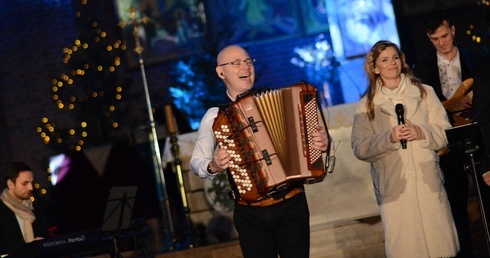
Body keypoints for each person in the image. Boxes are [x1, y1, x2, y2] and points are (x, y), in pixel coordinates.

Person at [189, 45, 330, 258]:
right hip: (249, 213)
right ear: (221, 72)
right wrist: (213, 165)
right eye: (236, 63)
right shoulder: (215, 116)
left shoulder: (284, 99)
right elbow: (196, 162)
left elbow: (312, 140)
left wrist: (322, 142)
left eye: (248, 61)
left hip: (291, 205)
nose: (245, 66)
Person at [351, 40, 459, 257]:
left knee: (440, 248)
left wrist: (421, 132)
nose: (391, 63)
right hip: (395, 190)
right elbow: (360, 147)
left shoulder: (424, 93)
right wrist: (388, 137)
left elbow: (446, 132)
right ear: (375, 68)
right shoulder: (367, 105)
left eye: (395, 57)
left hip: (428, 185)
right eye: (384, 60)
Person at [412, 9, 490, 257]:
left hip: (481, 143)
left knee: (488, 203)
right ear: (428, 38)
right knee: (455, 208)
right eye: (435, 39)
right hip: (447, 148)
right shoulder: (422, 69)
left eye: (445, 35)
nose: (442, 42)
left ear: (453, 30)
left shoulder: (478, 60)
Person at [0, 161, 49, 255]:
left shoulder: (35, 207)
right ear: (10, 184)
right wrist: (30, 248)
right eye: (25, 183)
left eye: (31, 182)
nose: (31, 187)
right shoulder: (2, 211)